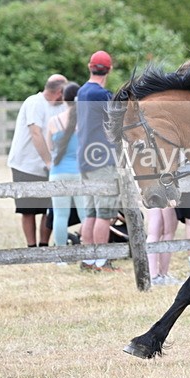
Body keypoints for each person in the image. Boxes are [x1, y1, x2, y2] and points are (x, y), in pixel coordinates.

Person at [7, 74, 67, 247]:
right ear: (59, 91)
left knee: (50, 208)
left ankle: (43, 245)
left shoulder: (61, 106)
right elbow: (36, 133)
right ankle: (31, 247)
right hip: (25, 164)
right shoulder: (34, 102)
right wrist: (48, 161)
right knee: (28, 209)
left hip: (51, 165)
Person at [76, 50, 119, 273]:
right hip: (101, 158)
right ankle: (101, 262)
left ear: (89, 66)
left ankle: (88, 260)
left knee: (91, 213)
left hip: (85, 158)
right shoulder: (101, 95)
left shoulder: (82, 91)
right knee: (104, 214)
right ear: (109, 70)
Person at [45, 82, 81, 247]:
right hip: (79, 172)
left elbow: (50, 147)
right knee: (85, 214)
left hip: (58, 171)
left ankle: (61, 257)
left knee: (60, 215)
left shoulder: (54, 121)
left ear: (64, 99)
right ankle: (89, 253)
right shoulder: (83, 122)